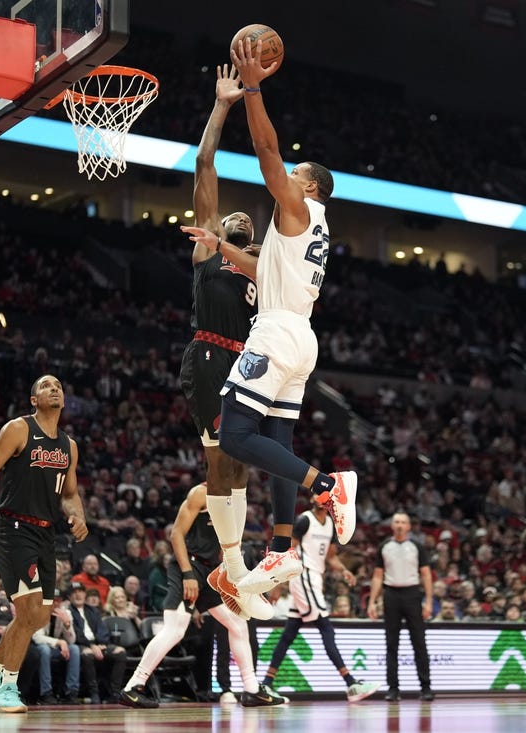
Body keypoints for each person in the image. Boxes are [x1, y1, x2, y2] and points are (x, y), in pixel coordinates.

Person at [179, 37, 356, 597]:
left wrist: (251, 90)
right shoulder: (311, 233)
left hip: (273, 333)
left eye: (295, 172)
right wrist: (219, 245)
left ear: (308, 186)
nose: (286, 175)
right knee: (276, 433)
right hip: (298, 335)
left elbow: (266, 150)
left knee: (235, 438)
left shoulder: (299, 204)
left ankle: (326, 486)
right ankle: (281, 549)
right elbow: (264, 270)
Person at [175, 65, 269, 621]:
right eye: (225, 215)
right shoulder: (209, 249)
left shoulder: (259, 265)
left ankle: (233, 567)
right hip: (211, 354)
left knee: (240, 466)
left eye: (240, 217)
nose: (231, 215)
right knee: (219, 462)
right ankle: (232, 569)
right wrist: (222, 105)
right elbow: (204, 163)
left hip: (246, 363)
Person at [0, 374, 89, 713]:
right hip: (12, 526)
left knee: (38, 616)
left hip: (46, 532)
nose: (55, 389)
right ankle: (7, 686)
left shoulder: (69, 446)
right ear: (34, 400)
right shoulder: (18, 429)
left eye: (59, 386)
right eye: (46, 386)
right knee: (29, 609)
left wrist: (77, 516)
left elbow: (71, 494)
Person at [115, 483, 284, 709]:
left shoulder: (236, 497)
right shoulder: (201, 493)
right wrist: (187, 575)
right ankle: (133, 686)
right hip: (190, 567)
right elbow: (176, 535)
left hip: (213, 571)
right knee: (175, 630)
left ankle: (252, 689)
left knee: (238, 624)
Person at [261, 498, 379, 702]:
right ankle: (351, 683)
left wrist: (344, 570)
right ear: (312, 499)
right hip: (303, 575)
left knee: (289, 633)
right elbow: (288, 550)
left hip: (314, 577)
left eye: (325, 496)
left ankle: (267, 683)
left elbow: (331, 557)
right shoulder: (304, 520)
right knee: (326, 628)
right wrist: (278, 583)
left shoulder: (330, 525)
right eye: (317, 495)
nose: (320, 499)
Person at [366, 511, 434, 702]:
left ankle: (426, 687)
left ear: (409, 526)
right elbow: (378, 576)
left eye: (403, 522)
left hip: (412, 594)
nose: (399, 525)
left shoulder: (417, 546)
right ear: (392, 525)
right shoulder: (384, 546)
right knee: (391, 644)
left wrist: (428, 601)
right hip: (391, 595)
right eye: (396, 522)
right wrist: (372, 602)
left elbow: (426, 575)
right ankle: (393, 689)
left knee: (419, 643)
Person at [66, 581, 126, 704]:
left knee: (120, 652)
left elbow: (102, 629)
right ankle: (94, 693)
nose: (78, 595)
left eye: (81, 592)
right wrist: (91, 646)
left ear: (85, 594)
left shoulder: (93, 610)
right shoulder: (68, 612)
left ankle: (114, 693)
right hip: (80, 644)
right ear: (69, 597)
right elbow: (76, 634)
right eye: (75, 593)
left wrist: (101, 643)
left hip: (98, 643)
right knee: (87, 654)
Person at [31, 591, 81, 704]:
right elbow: (37, 637)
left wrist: (67, 624)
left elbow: (71, 640)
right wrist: (59, 642)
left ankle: (71, 692)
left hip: (56, 648)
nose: (55, 603)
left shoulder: (66, 613)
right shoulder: (38, 611)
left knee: (74, 649)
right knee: (45, 650)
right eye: (52, 600)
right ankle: (46, 692)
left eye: (58, 600)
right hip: (38, 647)